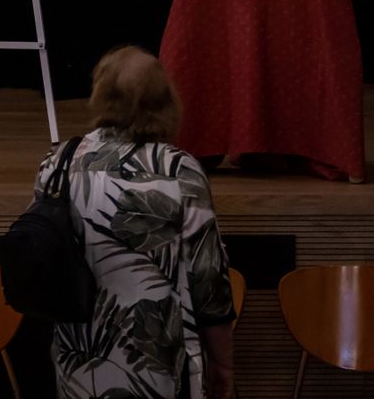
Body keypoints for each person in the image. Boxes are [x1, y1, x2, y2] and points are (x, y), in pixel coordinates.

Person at [36, 46, 236, 399]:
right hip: (159, 362)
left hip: (80, 358)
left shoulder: (60, 162)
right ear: (165, 99)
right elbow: (209, 278)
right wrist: (223, 364)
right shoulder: (179, 170)